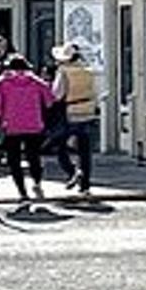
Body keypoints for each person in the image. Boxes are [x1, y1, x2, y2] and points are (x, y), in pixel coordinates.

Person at [0, 54, 54, 210]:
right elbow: (50, 98)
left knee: (14, 160)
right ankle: (37, 183)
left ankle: (22, 193)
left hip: (10, 125)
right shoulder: (35, 81)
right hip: (33, 124)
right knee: (33, 156)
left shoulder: (2, 82)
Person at [50, 43, 98, 196]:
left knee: (60, 145)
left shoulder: (64, 72)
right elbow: (94, 91)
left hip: (70, 111)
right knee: (84, 150)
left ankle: (72, 172)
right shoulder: (87, 71)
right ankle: (85, 184)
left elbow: (57, 94)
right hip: (87, 111)